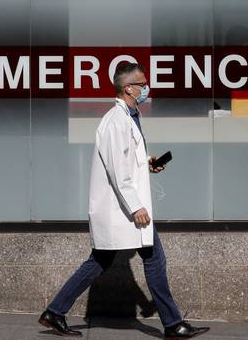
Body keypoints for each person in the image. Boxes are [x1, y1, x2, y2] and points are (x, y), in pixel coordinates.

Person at [38, 62, 210, 339]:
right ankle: (173, 324)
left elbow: (126, 160)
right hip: (123, 209)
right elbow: (118, 171)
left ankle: (55, 312)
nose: (146, 89)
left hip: (123, 208)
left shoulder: (129, 117)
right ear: (128, 88)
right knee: (154, 258)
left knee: (100, 260)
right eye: (142, 84)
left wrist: (147, 162)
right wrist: (136, 206)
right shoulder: (116, 121)